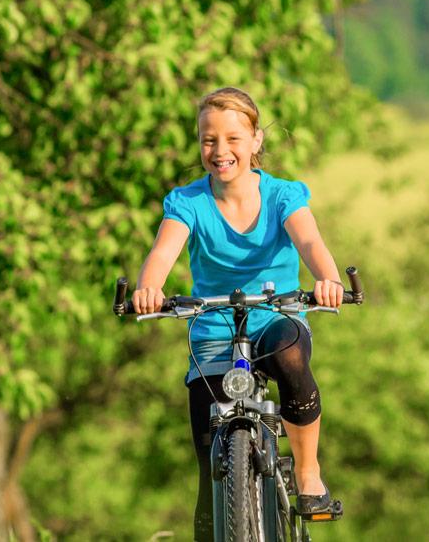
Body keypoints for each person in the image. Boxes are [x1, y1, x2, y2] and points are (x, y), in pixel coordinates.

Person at [128, 87, 347, 538]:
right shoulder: (187, 202)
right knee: (211, 471)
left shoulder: (283, 195)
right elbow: (163, 252)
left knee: (290, 358)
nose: (220, 151)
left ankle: (308, 474)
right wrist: (149, 288)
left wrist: (327, 278)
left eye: (232, 139)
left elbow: (310, 243)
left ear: (255, 141)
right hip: (213, 323)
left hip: (275, 316)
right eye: (209, 140)